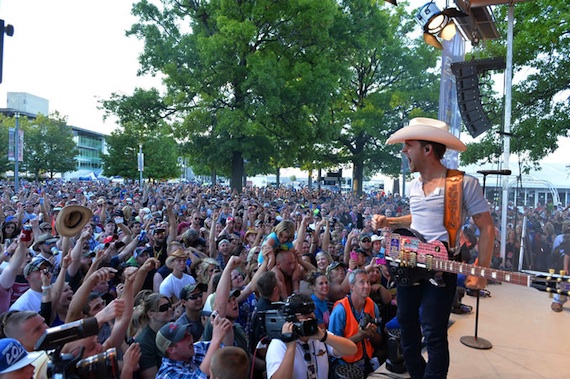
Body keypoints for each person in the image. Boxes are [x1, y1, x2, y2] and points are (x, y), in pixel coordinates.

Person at [371, 117, 494, 378]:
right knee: (406, 325)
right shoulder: (414, 185)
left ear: (427, 149)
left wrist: (481, 271)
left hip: (441, 267)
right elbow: (418, 218)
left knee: (434, 333)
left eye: (409, 145)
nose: (404, 151)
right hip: (410, 264)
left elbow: (486, 227)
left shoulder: (462, 183)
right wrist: (390, 222)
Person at [265, 293, 357, 379]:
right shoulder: (278, 344)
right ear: (291, 319)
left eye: (311, 314)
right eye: (304, 315)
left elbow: (352, 349)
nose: (309, 319)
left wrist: (324, 337)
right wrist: (290, 348)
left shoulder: (318, 336)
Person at [328, 269, 383, 376]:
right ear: (352, 286)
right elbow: (334, 349)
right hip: (344, 366)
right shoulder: (340, 310)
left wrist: (372, 334)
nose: (367, 286)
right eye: (362, 282)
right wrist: (360, 336)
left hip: (368, 360)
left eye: (368, 282)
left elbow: (379, 340)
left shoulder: (372, 305)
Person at [154, 317, 232, 379]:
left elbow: (226, 351)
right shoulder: (166, 375)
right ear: (171, 349)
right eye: (183, 336)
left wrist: (227, 329)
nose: (190, 336)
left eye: (188, 332)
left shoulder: (197, 348)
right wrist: (216, 339)